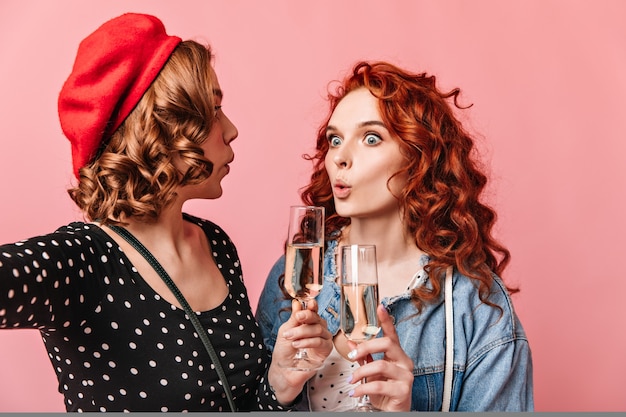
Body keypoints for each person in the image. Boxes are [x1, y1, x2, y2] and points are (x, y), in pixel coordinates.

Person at [0, 13, 331, 412]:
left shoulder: (216, 245)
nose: (230, 130)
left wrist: (278, 381)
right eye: (213, 109)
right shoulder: (81, 259)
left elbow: (238, 406)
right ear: (167, 129)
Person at [256, 61, 534, 411]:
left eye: (371, 138)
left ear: (420, 158)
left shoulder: (474, 307)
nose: (340, 157)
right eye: (335, 139)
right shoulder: (295, 276)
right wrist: (276, 389)